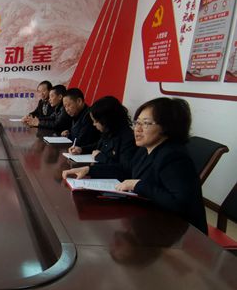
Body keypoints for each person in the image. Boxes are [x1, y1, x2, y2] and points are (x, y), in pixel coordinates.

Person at [62, 97, 207, 234]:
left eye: (146, 123)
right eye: (137, 122)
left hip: (178, 233)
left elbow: (180, 204)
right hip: (151, 219)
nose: (137, 129)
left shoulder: (173, 156)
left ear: (167, 127)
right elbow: (126, 170)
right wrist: (89, 170)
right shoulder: (146, 149)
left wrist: (137, 185)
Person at [67, 95, 137, 166]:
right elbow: (99, 146)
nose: (94, 124)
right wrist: (81, 149)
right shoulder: (109, 132)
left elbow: (124, 168)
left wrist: (100, 157)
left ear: (106, 120)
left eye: (96, 121)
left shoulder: (128, 139)